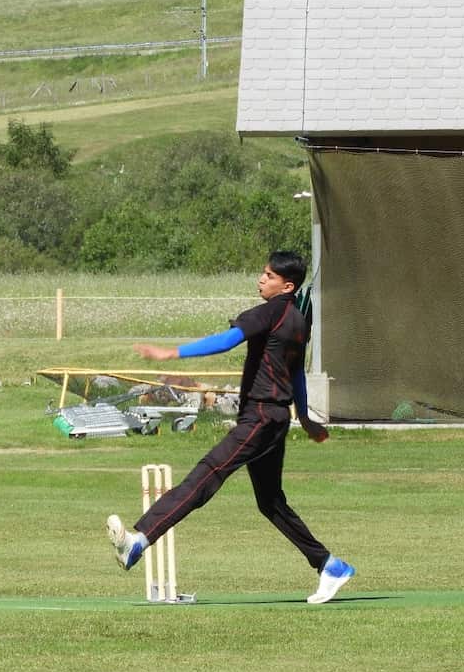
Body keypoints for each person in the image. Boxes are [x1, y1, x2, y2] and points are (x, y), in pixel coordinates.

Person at [105, 250, 355, 604]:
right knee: (270, 503)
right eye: (262, 273)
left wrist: (171, 353)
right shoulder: (299, 321)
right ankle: (330, 566)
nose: (260, 279)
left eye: (268, 276)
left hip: (262, 417)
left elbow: (227, 341)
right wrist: (305, 416)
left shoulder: (270, 312)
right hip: (275, 417)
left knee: (207, 475)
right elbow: (295, 372)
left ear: (287, 285)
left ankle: (139, 541)